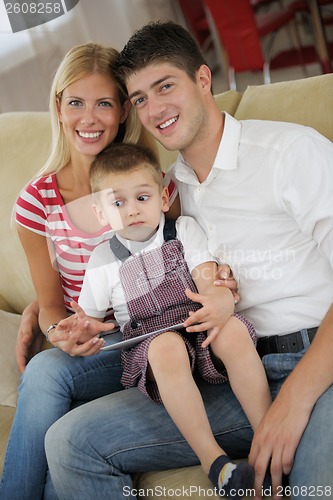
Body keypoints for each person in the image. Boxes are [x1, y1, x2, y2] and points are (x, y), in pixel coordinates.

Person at [44, 21, 333, 500]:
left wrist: (296, 399)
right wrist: (55, 309)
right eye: (139, 98)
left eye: (165, 86)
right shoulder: (163, 195)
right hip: (233, 371)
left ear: (203, 79)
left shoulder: (290, 152)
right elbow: (133, 278)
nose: (154, 110)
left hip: (317, 363)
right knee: (71, 442)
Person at [0, 41, 180, 500]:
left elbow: (176, 259)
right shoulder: (36, 202)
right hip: (94, 346)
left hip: (153, 337)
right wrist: (62, 331)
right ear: (58, 108)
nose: (89, 118)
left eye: (104, 103)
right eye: (76, 102)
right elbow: (51, 305)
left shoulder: (148, 181)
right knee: (48, 369)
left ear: (123, 110)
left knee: (44, 374)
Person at [57, 142, 271, 498]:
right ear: (99, 213)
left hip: (197, 324)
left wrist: (216, 298)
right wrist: (84, 328)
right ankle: (215, 463)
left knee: (230, 329)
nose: (132, 210)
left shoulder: (183, 231)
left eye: (142, 197)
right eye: (118, 202)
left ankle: (269, 437)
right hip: (153, 345)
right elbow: (91, 319)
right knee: (166, 347)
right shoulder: (101, 260)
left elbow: (206, 280)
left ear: (163, 196)